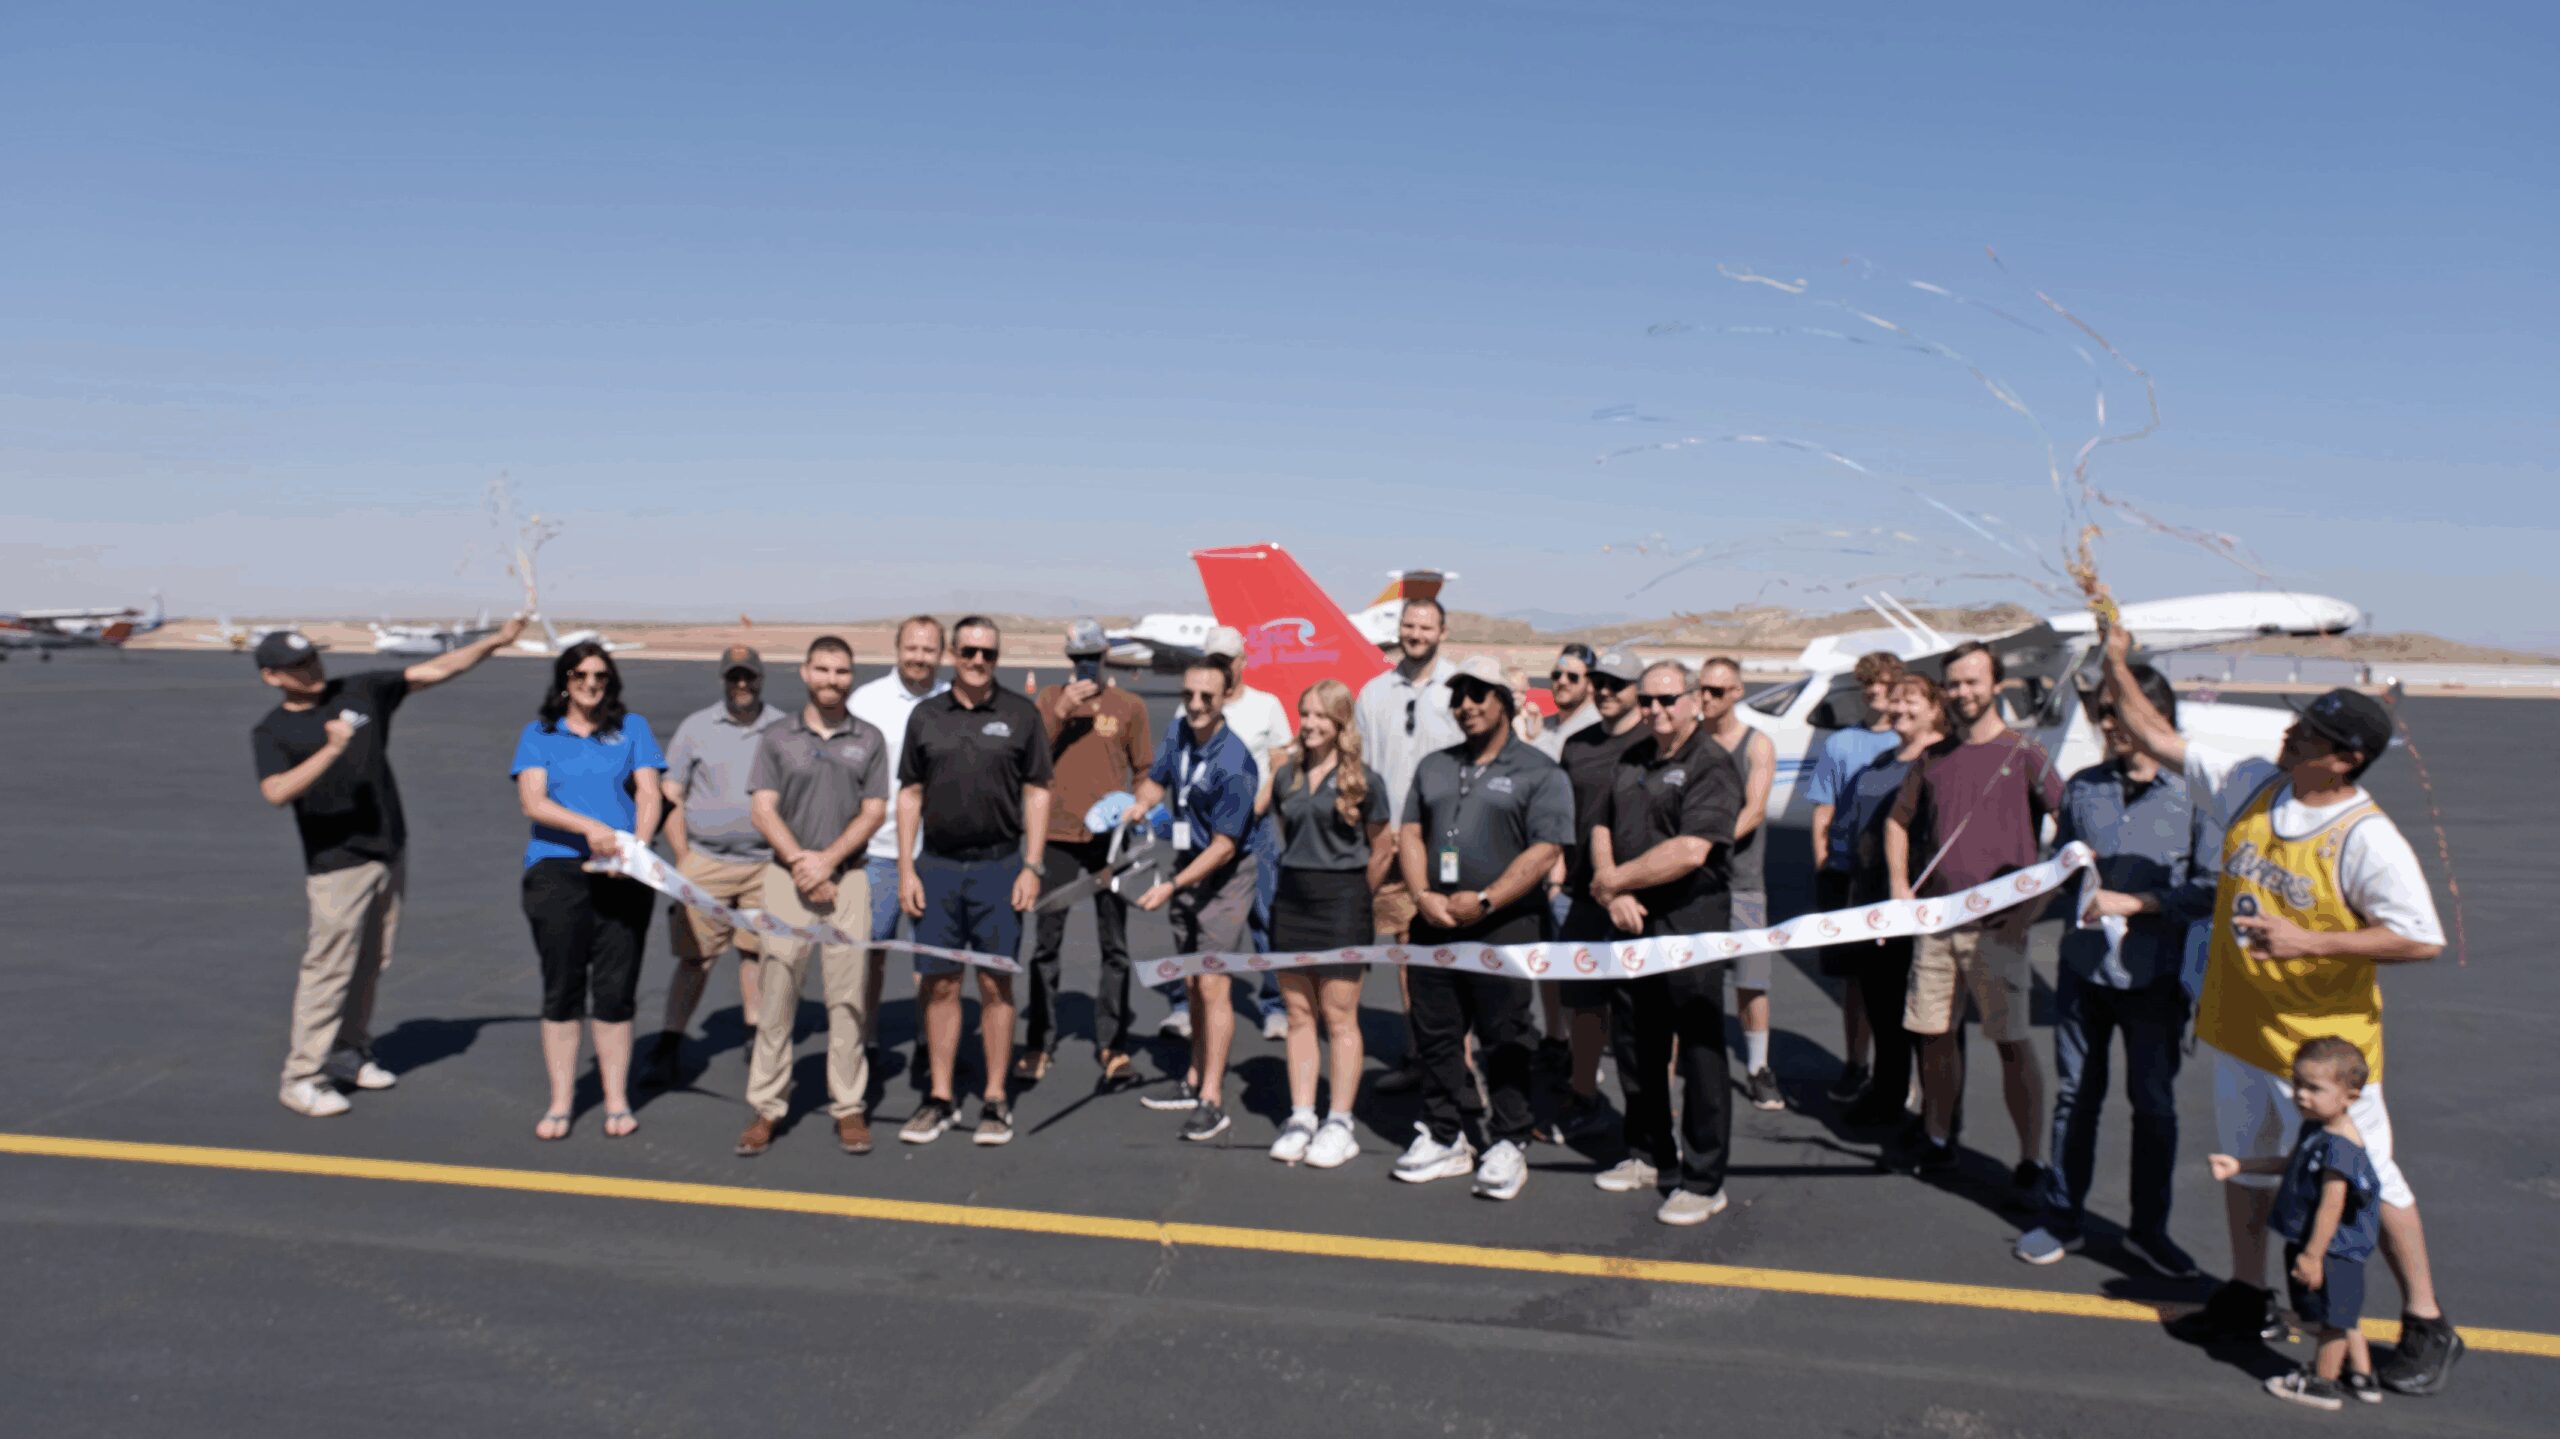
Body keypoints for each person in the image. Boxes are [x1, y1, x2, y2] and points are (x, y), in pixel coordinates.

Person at [2100, 620, 2460, 1395]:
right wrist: (2116, 661)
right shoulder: (2254, 783)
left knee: (2373, 1180)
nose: (2291, 733)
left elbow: (2421, 937)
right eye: (2299, 723)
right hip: (2241, 1028)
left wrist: (2311, 941)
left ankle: (2428, 1321)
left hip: (2323, 1054)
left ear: (2346, 758)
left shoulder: (2366, 837)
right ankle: (2246, 1292)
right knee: (2247, 1165)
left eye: (2311, 733)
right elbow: (2156, 735)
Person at [250, 617, 526, 1117]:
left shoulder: (360, 691)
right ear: (272, 676)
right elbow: (275, 792)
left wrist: (496, 641)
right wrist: (332, 750)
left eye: (312, 657)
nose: (312, 668)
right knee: (328, 970)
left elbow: (435, 670)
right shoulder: (273, 731)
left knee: (371, 963)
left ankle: (348, 1052)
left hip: (389, 852)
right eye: (297, 665)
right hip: (337, 866)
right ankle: (301, 1077)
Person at [2013, 665, 2214, 1274]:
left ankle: (2149, 1230)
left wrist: (2136, 904)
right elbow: (2063, 867)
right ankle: (2063, 1216)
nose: (2106, 724)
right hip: (2083, 972)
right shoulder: (2082, 788)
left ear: (2155, 717)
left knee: (2153, 1104)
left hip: (2156, 979)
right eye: (2102, 713)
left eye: (2117, 711)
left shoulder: (2196, 796)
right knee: (2076, 1096)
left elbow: (2211, 889)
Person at [1391, 656, 1573, 1200]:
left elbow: (1545, 850)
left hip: (1505, 928)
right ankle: (1443, 1133)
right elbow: (1410, 832)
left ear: (1506, 704)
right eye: (1458, 696)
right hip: (1435, 923)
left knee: (1506, 1036)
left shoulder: (1540, 771)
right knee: (1436, 1034)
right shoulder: (1435, 766)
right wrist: (1422, 895)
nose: (1465, 705)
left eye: (1478, 694)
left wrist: (1488, 899)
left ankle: (1510, 1139)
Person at [1885, 641, 2062, 1188]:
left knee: (2011, 1043)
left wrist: (2033, 908)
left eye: (1973, 682)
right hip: (1936, 927)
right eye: (1954, 683)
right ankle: (1939, 1137)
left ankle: (2031, 1159)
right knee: (1933, 1036)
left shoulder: (2025, 754)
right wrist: (1899, 889)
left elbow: (2072, 833)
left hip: (1999, 932)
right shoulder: (1933, 758)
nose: (1962, 692)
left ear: (1996, 686)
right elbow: (1897, 822)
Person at [1590, 660, 1746, 1225]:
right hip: (1631, 921)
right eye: (1648, 700)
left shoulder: (1711, 763)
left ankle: (1703, 1181)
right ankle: (1649, 1154)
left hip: (1690, 922)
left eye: (1668, 699)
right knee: (1636, 1045)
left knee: (1699, 1051)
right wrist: (1612, 891)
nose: (1656, 710)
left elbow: (1691, 850)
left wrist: (1615, 881)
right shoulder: (1631, 757)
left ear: (1693, 701)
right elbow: (1601, 824)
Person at [894, 616, 1053, 1148]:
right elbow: (910, 793)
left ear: (997, 658)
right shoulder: (926, 717)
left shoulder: (1021, 715)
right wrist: (906, 868)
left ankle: (994, 1097)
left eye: (988, 653)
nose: (978, 661)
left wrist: (1032, 865)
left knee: (994, 984)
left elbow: (1038, 791)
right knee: (939, 984)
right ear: (953, 656)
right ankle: (940, 1097)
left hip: (999, 868)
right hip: (937, 868)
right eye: (968, 652)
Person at [733, 638, 891, 1159]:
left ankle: (848, 1107)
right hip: (786, 881)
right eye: (822, 670)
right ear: (805, 673)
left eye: (841, 671)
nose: (832, 680)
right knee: (777, 994)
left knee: (848, 1000)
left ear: (851, 676)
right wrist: (803, 864)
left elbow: (873, 811)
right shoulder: (778, 737)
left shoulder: (869, 739)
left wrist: (828, 862)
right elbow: (763, 809)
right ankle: (767, 1105)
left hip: (849, 880)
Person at [510, 642, 665, 1141]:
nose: (591, 684)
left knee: (616, 989)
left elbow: (649, 791)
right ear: (564, 681)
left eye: (600, 676)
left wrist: (636, 848)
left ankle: (616, 1099)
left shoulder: (632, 729)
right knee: (563, 988)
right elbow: (533, 801)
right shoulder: (539, 734)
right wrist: (591, 828)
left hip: (622, 873)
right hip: (557, 873)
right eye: (580, 675)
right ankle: (562, 1101)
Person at [1123, 657, 1263, 1142]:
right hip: (1187, 865)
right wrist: (1141, 804)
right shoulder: (1180, 731)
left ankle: (1212, 1098)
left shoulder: (1235, 763)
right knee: (1191, 980)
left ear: (1226, 698)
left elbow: (1225, 847)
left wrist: (1173, 886)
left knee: (1212, 983)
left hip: (1223, 877)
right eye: (1189, 695)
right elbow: (1157, 778)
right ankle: (1194, 1075)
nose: (1196, 704)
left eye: (1207, 696)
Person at [2211, 1037, 2386, 1410]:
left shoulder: (2340, 1147)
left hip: (2332, 1247)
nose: (2301, 1095)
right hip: (2322, 1244)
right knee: (2342, 1312)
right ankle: (2361, 1375)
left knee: (2329, 1321)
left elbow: (2331, 1206)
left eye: (2314, 1088)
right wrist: (2240, 1165)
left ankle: (2322, 1384)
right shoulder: (2317, 1127)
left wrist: (2312, 1256)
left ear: (2350, 1097)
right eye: (2297, 1084)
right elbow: (2289, 1163)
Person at [645, 645, 787, 1088]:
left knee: (756, 952)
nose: (741, 684)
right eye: (733, 677)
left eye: (749, 676)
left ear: (761, 678)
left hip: (765, 864)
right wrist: (683, 857)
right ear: (723, 680)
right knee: (695, 958)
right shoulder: (696, 728)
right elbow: (671, 794)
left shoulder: (783, 728)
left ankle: (755, 1034)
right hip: (705, 861)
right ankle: (670, 1042)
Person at [1265, 678, 1392, 1168]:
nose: (1310, 724)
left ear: (1341, 722)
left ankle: (1339, 1122)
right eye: (1305, 714)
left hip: (1343, 903)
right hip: (1292, 901)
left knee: (1339, 1017)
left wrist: (1358, 895)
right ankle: (1302, 1116)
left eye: (1321, 715)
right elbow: (1287, 832)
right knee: (1299, 1014)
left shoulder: (1366, 781)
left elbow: (1382, 848)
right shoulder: (1286, 777)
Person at [1023, 619, 1151, 1083]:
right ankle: (1038, 1043)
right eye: (1078, 659)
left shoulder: (1129, 706)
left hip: (1110, 841)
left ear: (1104, 658)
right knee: (1046, 945)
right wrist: (1061, 710)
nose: (1085, 667)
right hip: (1056, 837)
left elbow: (1145, 770)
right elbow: (1029, 755)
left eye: (1092, 658)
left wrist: (1140, 805)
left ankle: (1113, 1045)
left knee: (1114, 945)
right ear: (1068, 659)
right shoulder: (1047, 700)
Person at [1353, 597, 1461, 1094]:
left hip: (1448, 844)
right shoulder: (1374, 693)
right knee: (1405, 950)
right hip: (1392, 843)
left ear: (1442, 632)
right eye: (1409, 626)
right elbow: (1362, 768)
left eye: (1426, 627)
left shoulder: (1460, 690)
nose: (1416, 634)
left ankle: (1460, 1063)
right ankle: (1421, 1054)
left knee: (1456, 949)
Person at [1838, 673, 1947, 1130]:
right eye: (1896, 700)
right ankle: (1888, 1094)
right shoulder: (1881, 763)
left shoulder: (1943, 761)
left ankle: (1931, 1114)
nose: (1899, 708)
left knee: (1922, 1018)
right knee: (1881, 1007)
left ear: (1936, 708)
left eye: (1912, 701)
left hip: (1918, 904)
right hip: (1871, 901)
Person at [1549, 644, 1649, 1140]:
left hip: (1641, 895)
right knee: (1583, 1004)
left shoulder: (1653, 740)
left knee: (1646, 1013)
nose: (1606, 691)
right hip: (1579, 893)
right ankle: (1583, 1093)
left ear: (1637, 691)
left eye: (1618, 685)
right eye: (1601, 682)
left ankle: (1653, 1108)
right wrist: (1556, 879)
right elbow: (1562, 816)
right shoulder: (1577, 745)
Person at [1804, 651, 1906, 1103]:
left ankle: (1899, 1073)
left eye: (1883, 682)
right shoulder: (1840, 744)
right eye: (1867, 683)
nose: (1874, 690)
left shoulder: (1911, 743)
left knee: (1899, 980)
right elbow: (1823, 812)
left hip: (1894, 880)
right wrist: (1825, 867)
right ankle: (1856, 1062)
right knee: (1854, 982)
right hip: (1847, 877)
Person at [850, 616, 948, 1053]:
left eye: (928, 649)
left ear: (941, 654)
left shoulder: (953, 700)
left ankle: (930, 1042)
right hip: (879, 852)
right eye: (912, 648)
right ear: (897, 648)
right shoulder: (866, 702)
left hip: (937, 853)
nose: (919, 658)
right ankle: (865, 1039)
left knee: (933, 957)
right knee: (870, 953)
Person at [1204, 625, 1296, 1041]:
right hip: (1209, 830)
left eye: (1227, 661)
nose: (1222, 668)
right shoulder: (1195, 706)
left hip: (1255, 829)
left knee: (1266, 916)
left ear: (1242, 662)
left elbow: (1279, 764)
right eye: (1214, 661)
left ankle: (1275, 1005)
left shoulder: (1266, 705)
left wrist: (1257, 806)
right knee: (1202, 917)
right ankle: (1191, 1005)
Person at [1698, 656, 1781, 1110]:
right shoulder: (1691, 741)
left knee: (1752, 980)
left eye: (1716, 691)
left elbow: (1755, 809)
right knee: (1693, 977)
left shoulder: (1756, 744)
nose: (1706, 698)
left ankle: (1758, 1068)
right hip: (1694, 886)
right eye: (1701, 689)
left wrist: (1705, 844)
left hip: (1743, 884)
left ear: (1736, 693)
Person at [1528, 644, 1601, 761]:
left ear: (1591, 684)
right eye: (1557, 674)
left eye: (1573, 677)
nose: (1562, 681)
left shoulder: (1596, 729)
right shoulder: (1545, 724)